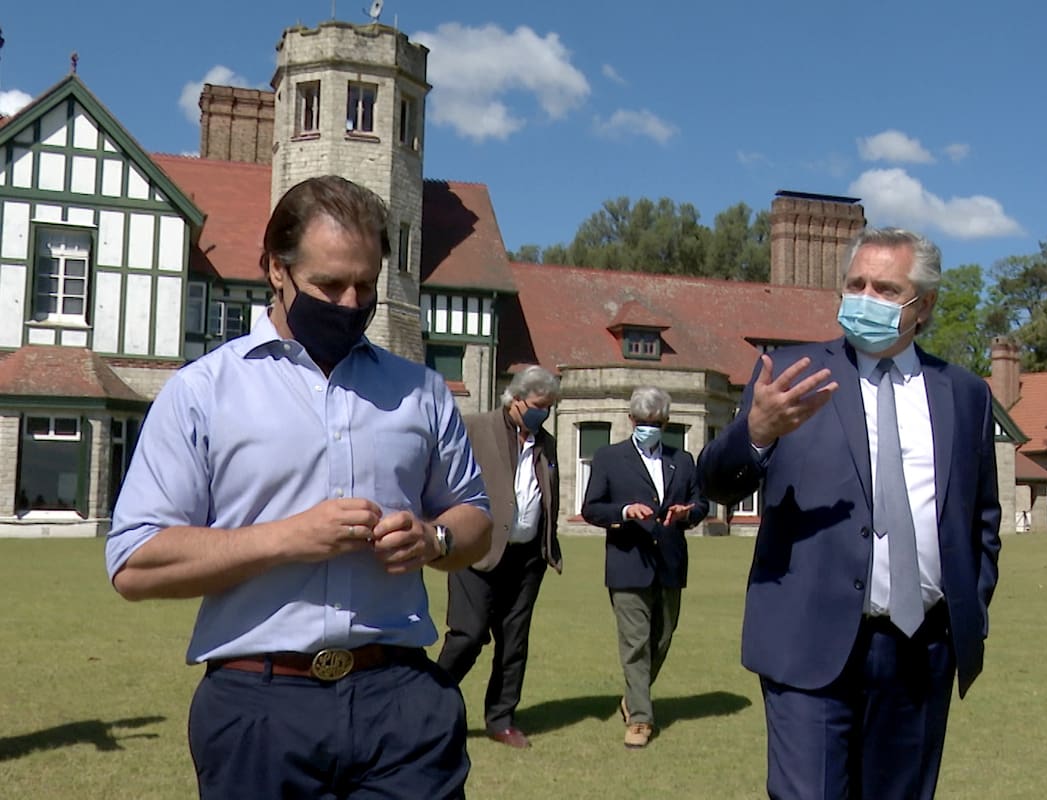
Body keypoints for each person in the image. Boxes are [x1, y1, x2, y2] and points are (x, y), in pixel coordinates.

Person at [104, 175, 492, 799]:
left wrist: (434, 538)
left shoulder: (420, 391)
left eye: (365, 285)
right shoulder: (203, 392)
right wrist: (287, 539)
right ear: (276, 270)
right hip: (259, 706)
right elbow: (134, 563)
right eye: (329, 285)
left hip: (401, 702)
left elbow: (475, 519)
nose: (350, 303)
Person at [698, 227, 1001, 800]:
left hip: (920, 650)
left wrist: (971, 611)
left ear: (924, 305)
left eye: (885, 289)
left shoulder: (964, 394)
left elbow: (981, 520)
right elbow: (714, 484)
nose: (865, 298)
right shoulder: (789, 374)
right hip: (807, 644)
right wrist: (755, 434)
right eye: (856, 284)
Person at [436, 366, 563, 749]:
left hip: (527, 558)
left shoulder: (546, 443)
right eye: (538, 406)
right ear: (515, 399)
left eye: (549, 407)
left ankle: (501, 718)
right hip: (477, 551)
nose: (544, 413)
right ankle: (430, 703)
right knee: (468, 635)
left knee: (514, 642)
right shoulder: (475, 428)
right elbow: (443, 477)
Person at [581, 386, 708, 749]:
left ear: (665, 423)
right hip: (628, 562)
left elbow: (701, 503)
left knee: (662, 638)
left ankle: (632, 698)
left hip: (670, 563)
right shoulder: (609, 458)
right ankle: (640, 718)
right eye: (642, 421)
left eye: (655, 422)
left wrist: (688, 513)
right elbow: (592, 508)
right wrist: (624, 512)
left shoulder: (683, 460)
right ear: (631, 420)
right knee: (635, 643)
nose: (648, 427)